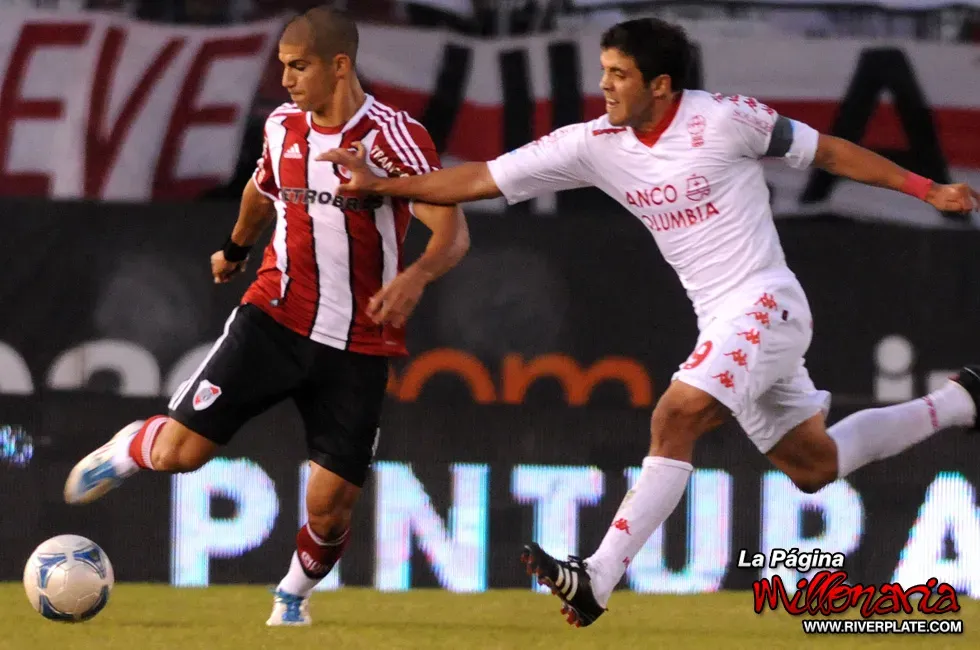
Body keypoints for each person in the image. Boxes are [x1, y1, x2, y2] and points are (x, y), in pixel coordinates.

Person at [319, 17, 980, 627]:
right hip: (722, 320)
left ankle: (598, 576)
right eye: (603, 70)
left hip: (767, 303)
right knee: (814, 465)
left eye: (618, 74)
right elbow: (478, 180)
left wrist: (929, 190)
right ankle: (958, 403)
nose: (603, 84)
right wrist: (383, 186)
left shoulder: (726, 121)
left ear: (660, 86)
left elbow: (830, 153)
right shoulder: (592, 145)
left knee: (677, 413)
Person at [63, 6, 470, 627]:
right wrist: (236, 246)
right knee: (180, 454)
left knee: (330, 509)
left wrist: (415, 276)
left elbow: (453, 230)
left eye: (298, 66)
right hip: (275, 319)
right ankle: (129, 448)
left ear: (340, 66)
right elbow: (261, 189)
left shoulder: (395, 138)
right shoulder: (282, 127)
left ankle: (292, 596)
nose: (284, 80)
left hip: (359, 345)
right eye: (281, 66)